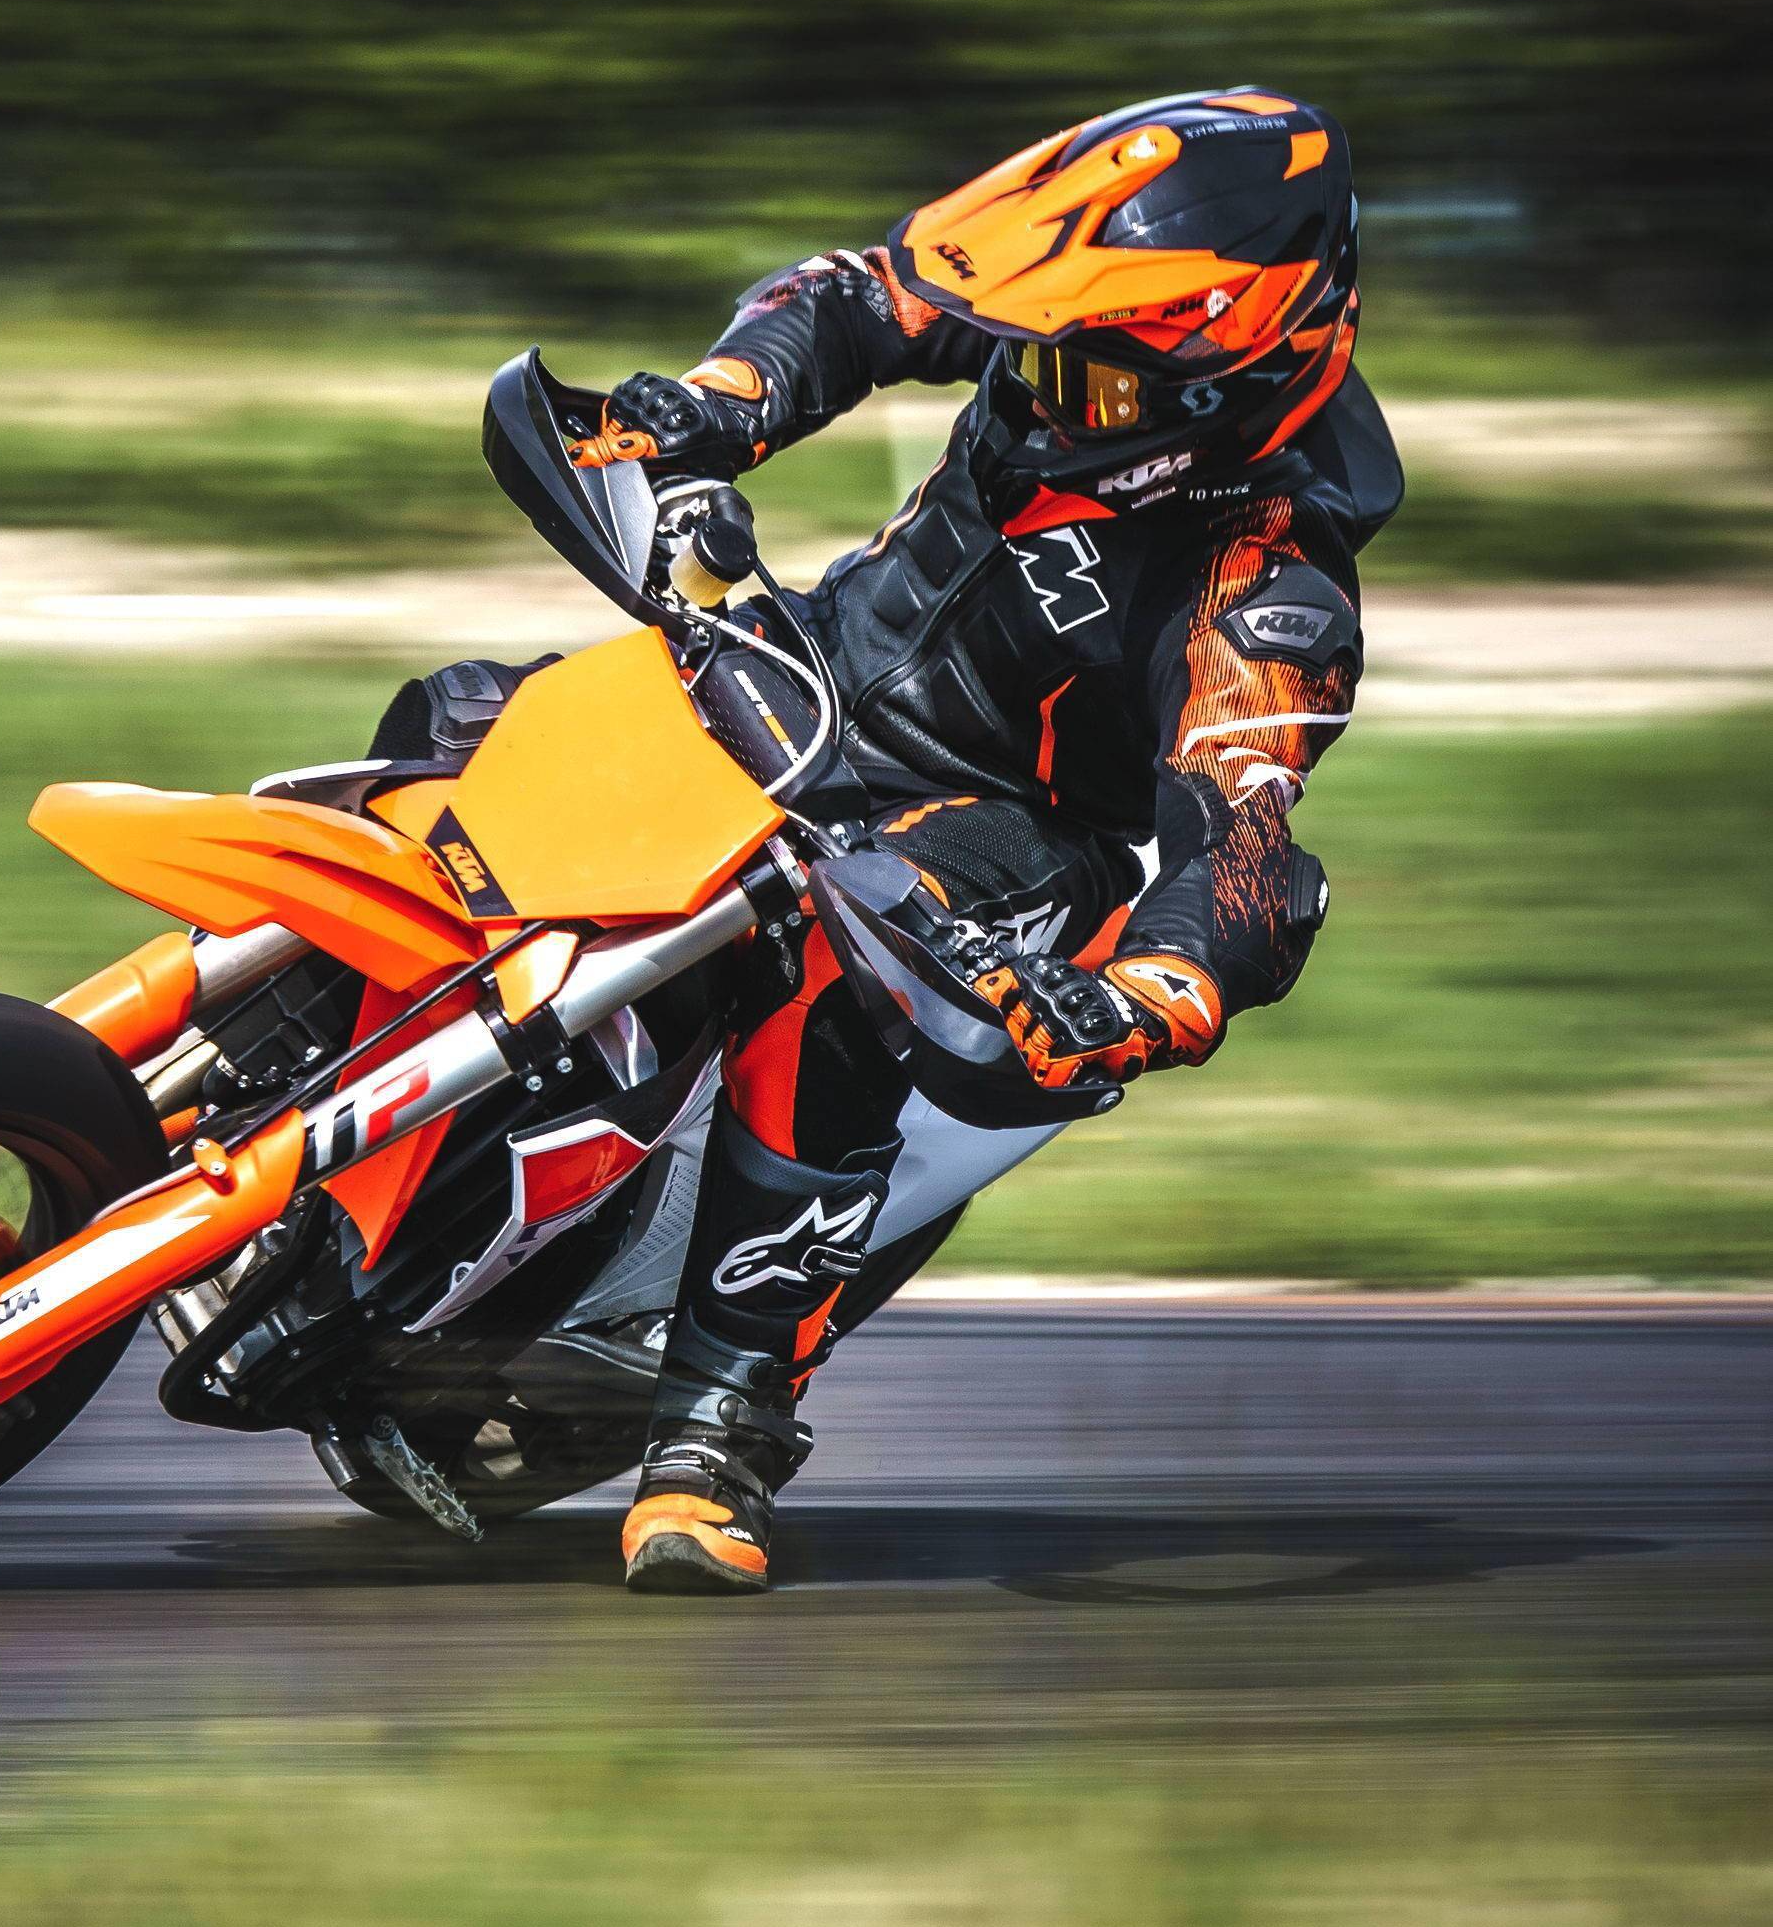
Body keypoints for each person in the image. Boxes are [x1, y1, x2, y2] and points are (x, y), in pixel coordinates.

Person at [383, 86, 1399, 1595]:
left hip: (1007, 833)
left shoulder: (1271, 586)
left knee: (830, 970)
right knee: (459, 723)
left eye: (1085, 377)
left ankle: (716, 1431)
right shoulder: (1085, 343)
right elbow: (867, 296)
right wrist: (720, 401)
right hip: (805, 676)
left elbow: (1242, 848)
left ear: (1228, 380)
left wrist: (1153, 993)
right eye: (1032, 351)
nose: (1037, 389)